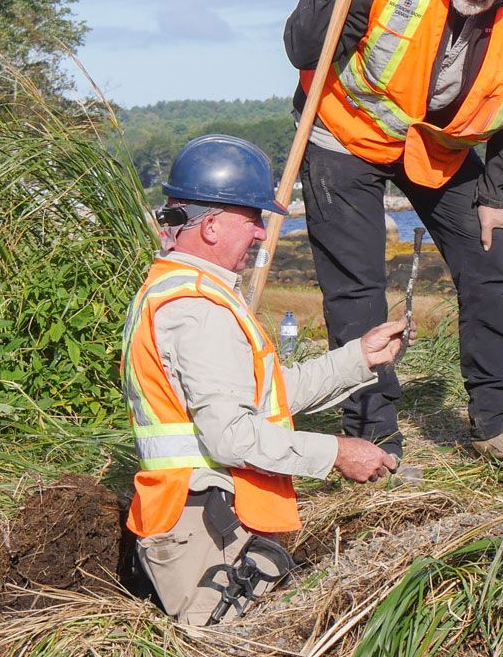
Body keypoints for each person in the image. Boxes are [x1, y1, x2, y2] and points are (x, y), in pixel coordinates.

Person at [283, 0, 503, 472]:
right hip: (345, 134)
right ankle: (375, 442)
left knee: (492, 257)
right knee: (357, 290)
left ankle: (498, 424)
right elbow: (304, 49)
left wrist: (496, 194)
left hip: (436, 148)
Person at [122, 134, 410, 625]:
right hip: (202, 529)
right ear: (210, 227)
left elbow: (264, 397)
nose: (260, 233)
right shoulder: (198, 308)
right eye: (253, 218)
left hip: (205, 518)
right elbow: (231, 435)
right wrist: (336, 452)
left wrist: (358, 358)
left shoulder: (181, 291)